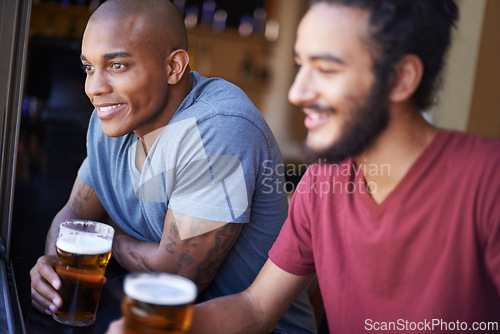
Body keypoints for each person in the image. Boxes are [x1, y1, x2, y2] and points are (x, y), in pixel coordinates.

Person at [107, 0, 500, 332]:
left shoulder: (487, 182)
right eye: (300, 66)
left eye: (326, 70)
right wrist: (159, 323)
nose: (297, 93)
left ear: (401, 78)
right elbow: (256, 308)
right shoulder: (323, 180)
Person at [29, 0, 318, 332]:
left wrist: (105, 240)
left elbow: (173, 278)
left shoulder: (219, 129)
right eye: (89, 68)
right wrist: (52, 269)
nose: (94, 88)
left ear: (174, 67)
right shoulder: (112, 120)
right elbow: (72, 217)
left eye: (118, 65)